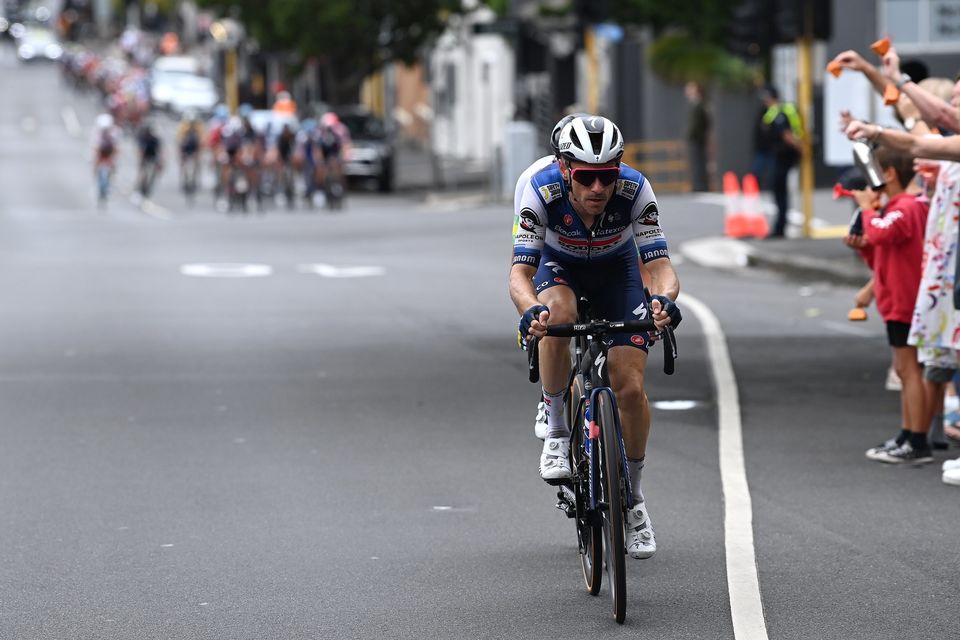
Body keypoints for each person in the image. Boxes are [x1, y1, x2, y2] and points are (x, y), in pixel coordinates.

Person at [509, 115, 681, 559]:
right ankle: (558, 428)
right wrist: (531, 310)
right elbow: (520, 274)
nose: (598, 188)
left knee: (630, 387)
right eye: (586, 177)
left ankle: (634, 501)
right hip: (559, 265)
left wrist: (664, 301)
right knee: (557, 312)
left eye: (607, 176)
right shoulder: (539, 190)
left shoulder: (635, 190)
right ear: (566, 169)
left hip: (616, 269)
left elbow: (661, 269)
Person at [841, 145, 930, 463]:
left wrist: (866, 212)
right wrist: (864, 247)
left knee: (910, 370)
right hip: (896, 300)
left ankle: (917, 439)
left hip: (906, 301)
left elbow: (882, 232)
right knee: (905, 370)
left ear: (889, 173)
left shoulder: (903, 208)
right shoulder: (899, 207)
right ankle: (907, 433)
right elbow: (882, 255)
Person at [514, 111, 588, 441]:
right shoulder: (534, 180)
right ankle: (550, 401)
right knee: (556, 314)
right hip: (550, 251)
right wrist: (529, 308)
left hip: (600, 256)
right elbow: (522, 252)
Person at [759, 85, 803, 238]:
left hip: (782, 156)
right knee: (779, 192)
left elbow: (787, 135)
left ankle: (780, 228)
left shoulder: (779, 115)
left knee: (780, 192)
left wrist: (801, 149)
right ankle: (779, 226)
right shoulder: (775, 113)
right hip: (780, 156)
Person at [685, 81, 710, 192]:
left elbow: (701, 123)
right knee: (696, 162)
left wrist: (692, 135)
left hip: (698, 139)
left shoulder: (699, 105)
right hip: (697, 138)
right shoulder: (696, 105)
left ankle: (700, 185)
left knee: (699, 162)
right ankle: (698, 184)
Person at [92, 113, 119, 205]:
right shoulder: (99, 133)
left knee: (111, 169)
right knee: (98, 169)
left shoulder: (114, 133)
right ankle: (101, 187)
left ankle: (108, 186)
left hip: (108, 155)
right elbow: (96, 148)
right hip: (102, 155)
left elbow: (115, 148)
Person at [134, 121, 162, 199]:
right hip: (145, 157)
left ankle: (148, 187)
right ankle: (139, 187)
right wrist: (141, 160)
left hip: (153, 157)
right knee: (143, 172)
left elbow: (160, 150)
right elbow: (141, 151)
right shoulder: (142, 138)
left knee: (153, 173)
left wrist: (160, 162)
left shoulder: (155, 139)